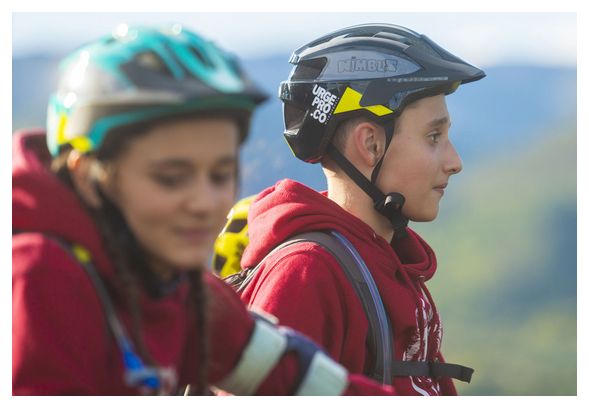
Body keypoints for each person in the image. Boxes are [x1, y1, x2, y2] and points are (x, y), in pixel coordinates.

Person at [12, 23, 397, 396]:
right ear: (86, 176)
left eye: (220, 175)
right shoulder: (39, 275)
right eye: (170, 178)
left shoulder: (177, 288)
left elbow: (294, 379)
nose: (205, 203)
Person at [238, 23, 486, 395]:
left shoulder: (388, 263)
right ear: (371, 144)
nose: (454, 161)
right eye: (434, 137)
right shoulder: (307, 273)